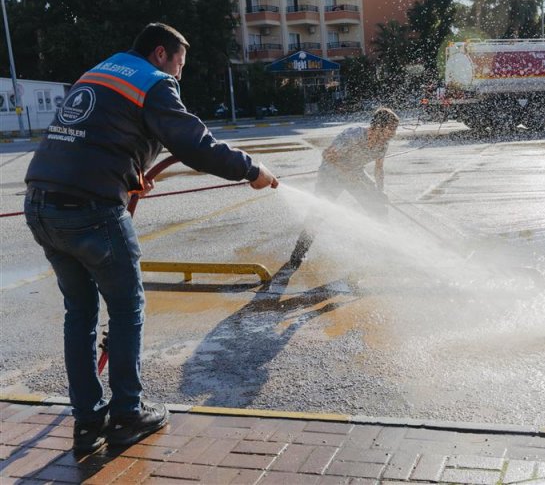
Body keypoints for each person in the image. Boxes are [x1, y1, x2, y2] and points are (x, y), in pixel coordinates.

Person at [24, 23, 279, 453]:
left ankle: (87, 420)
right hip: (91, 212)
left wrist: (130, 175)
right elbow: (195, 143)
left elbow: (90, 138)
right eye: (179, 65)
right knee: (127, 309)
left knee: (80, 313)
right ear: (161, 54)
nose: (178, 76)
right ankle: (127, 412)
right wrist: (252, 170)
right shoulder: (154, 82)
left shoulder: (99, 72)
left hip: (41, 206)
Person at [290, 107, 400, 266]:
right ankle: (298, 253)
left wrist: (379, 191)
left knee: (378, 207)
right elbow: (327, 155)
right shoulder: (353, 135)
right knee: (318, 213)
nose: (393, 134)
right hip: (331, 173)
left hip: (355, 173)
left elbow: (378, 169)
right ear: (378, 126)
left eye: (395, 130)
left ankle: (381, 250)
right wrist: (347, 172)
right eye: (391, 129)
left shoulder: (383, 144)